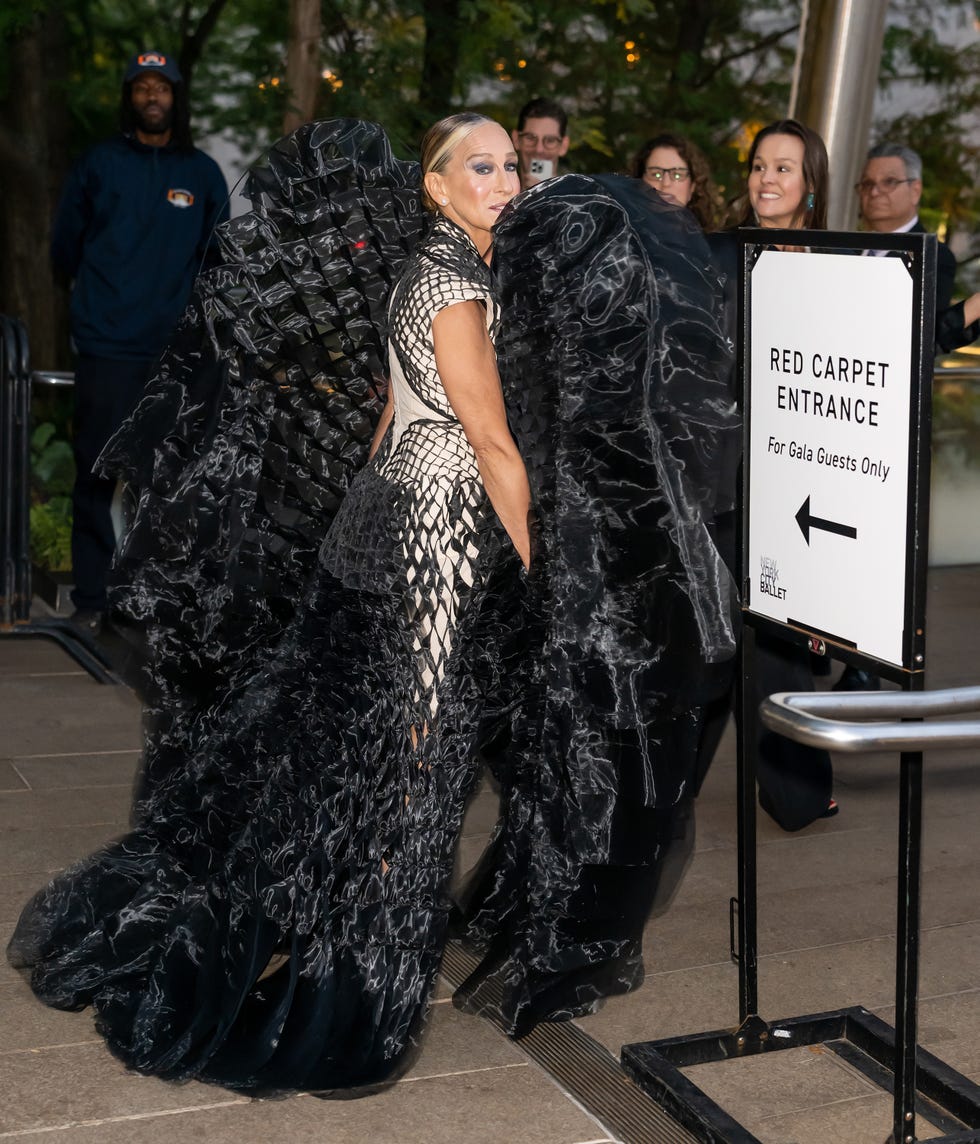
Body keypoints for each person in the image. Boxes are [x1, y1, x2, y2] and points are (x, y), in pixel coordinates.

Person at [10, 115, 738, 1091]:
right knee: (416, 758)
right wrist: (544, 575)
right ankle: (358, 968)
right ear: (434, 186)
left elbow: (387, 420)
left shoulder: (432, 271)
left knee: (360, 744)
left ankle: (322, 915)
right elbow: (493, 448)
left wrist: (362, 526)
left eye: (509, 164)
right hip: (438, 534)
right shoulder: (459, 290)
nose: (501, 178)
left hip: (388, 518)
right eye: (476, 165)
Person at [51, 50, 228, 634]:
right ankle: (93, 600)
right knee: (98, 472)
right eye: (142, 88)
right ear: (129, 97)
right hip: (107, 345)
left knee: (170, 478)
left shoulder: (201, 173)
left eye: (163, 88)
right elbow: (64, 247)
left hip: (175, 353)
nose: (153, 97)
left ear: (178, 99)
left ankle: (156, 599)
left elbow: (219, 259)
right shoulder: (99, 164)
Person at [705, 119, 838, 831]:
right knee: (710, 640)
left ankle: (796, 792)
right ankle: (664, 798)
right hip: (726, 474)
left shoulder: (839, 263)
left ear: (810, 184)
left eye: (784, 168)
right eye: (760, 165)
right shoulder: (717, 253)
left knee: (782, 644)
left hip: (802, 478)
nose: (767, 179)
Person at [858, 142, 980, 353]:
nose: (875, 192)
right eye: (868, 183)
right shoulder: (845, 249)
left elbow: (927, 339)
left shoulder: (933, 255)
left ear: (915, 190)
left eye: (889, 182)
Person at [630, 132, 723, 230]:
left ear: (692, 187)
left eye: (677, 175)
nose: (666, 183)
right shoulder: (618, 241)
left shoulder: (710, 243)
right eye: (656, 174)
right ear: (639, 181)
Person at [512, 96, 569, 189]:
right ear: (516, 139)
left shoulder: (577, 200)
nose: (539, 149)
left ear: (564, 146)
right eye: (530, 138)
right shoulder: (500, 198)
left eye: (550, 140)